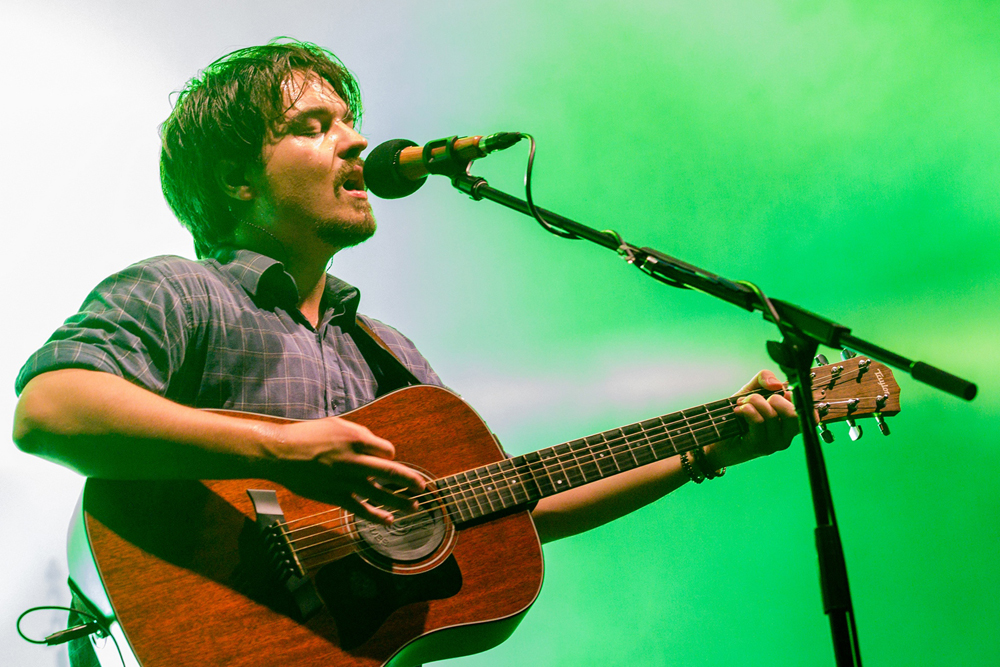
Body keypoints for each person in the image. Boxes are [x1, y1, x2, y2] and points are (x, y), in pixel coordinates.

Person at [12, 39, 798, 665]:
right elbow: (51, 410)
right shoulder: (180, 291)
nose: (356, 141)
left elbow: (507, 507)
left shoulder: (388, 353)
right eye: (313, 126)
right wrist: (282, 449)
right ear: (235, 182)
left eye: (349, 120)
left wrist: (704, 446)